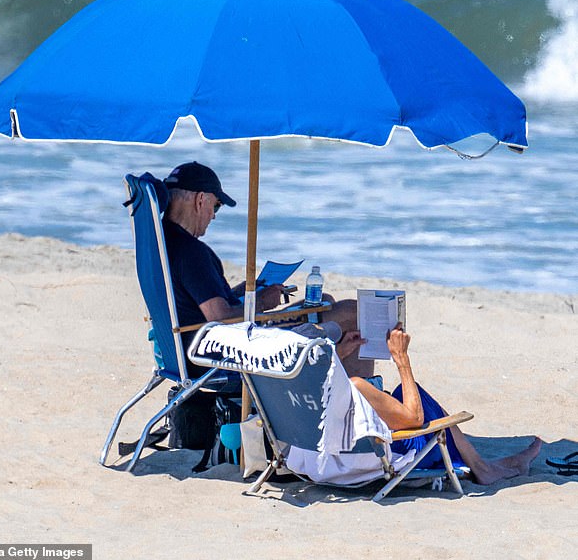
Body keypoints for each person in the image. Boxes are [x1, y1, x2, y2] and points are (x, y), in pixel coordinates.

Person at [162, 160, 373, 374]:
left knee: (325, 301)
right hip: (231, 352)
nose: (214, 215)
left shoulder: (164, 244)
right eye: (216, 205)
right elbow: (220, 318)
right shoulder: (191, 253)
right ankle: (365, 397)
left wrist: (240, 291)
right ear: (200, 200)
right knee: (354, 313)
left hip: (197, 347)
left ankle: (342, 390)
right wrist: (262, 302)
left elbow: (196, 302)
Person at [333, 324, 542, 485]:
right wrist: (401, 358)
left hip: (337, 462)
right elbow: (415, 418)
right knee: (414, 395)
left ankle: (487, 465)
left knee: (397, 397)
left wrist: (339, 353)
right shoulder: (357, 386)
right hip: (386, 460)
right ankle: (483, 468)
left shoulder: (311, 389)